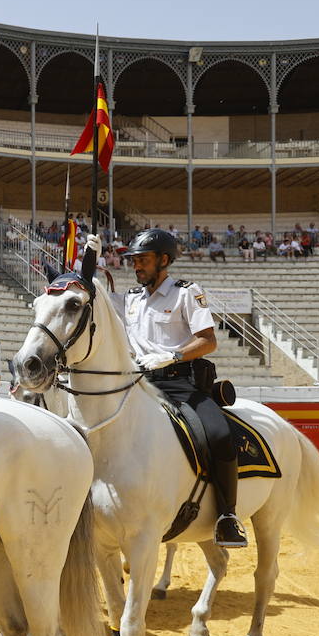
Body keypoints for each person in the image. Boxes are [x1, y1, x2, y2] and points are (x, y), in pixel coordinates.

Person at [121, 228, 246, 548]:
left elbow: (208, 340)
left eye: (143, 260)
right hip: (139, 382)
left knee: (219, 435)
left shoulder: (187, 292)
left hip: (180, 383)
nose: (137, 266)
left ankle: (228, 516)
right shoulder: (131, 298)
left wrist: (172, 355)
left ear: (164, 260)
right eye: (134, 260)